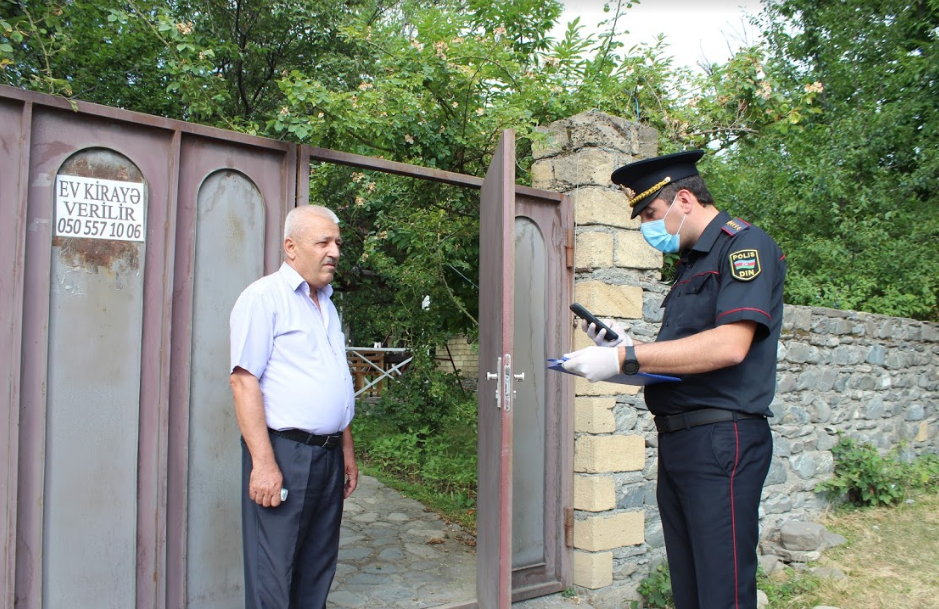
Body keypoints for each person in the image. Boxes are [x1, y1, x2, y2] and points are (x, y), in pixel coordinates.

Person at [562, 150, 786, 609]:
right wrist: (622, 357)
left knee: (722, 588)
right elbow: (679, 365)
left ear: (684, 199)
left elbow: (729, 346)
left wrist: (628, 356)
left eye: (650, 213)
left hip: (722, 438)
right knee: (689, 584)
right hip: (681, 440)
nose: (647, 227)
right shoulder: (689, 266)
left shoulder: (743, 247)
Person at [229, 204, 358, 609]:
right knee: (275, 572)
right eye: (323, 242)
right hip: (284, 453)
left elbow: (337, 381)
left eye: (337, 242)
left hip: (328, 455)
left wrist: (347, 451)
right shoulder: (264, 298)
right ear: (291, 247)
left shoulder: (328, 305)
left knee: (318, 567)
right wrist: (264, 465)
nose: (334, 251)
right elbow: (243, 380)